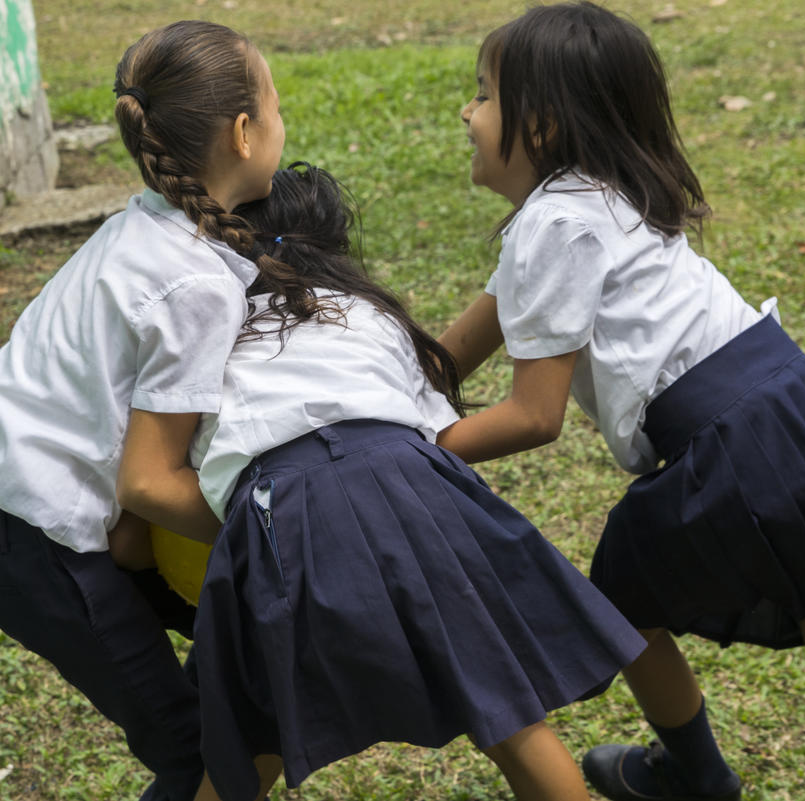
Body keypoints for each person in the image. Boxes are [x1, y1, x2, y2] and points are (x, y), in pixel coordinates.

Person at [436, 4, 805, 801]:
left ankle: (696, 772)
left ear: (545, 125)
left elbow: (533, 415)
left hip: (730, 444)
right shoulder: (606, 192)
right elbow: (460, 347)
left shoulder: (553, 222)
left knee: (613, 612)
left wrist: (423, 446)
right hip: (802, 409)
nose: (468, 110)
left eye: (484, 94)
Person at [186, 162, 649, 801]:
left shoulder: (202, 335)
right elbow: (434, 430)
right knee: (510, 714)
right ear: (335, 244)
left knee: (252, 741)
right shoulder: (370, 316)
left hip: (276, 513)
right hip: (409, 488)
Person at [0, 20, 285, 801]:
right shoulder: (191, 281)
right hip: (42, 551)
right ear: (242, 133)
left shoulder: (144, 228)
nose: (279, 120)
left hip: (17, 522)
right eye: (275, 104)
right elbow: (144, 482)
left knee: (240, 669)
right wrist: (279, 533)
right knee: (196, 751)